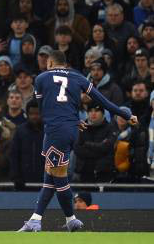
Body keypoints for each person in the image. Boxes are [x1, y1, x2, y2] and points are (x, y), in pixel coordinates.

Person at [18, 50, 137, 232]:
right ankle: (35, 219)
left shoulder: (41, 78)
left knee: (59, 177)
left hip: (55, 132)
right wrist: (125, 114)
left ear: (50, 63)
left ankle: (71, 219)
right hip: (72, 130)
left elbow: (43, 108)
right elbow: (103, 101)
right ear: (65, 64)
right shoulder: (78, 77)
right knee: (50, 176)